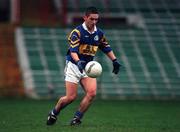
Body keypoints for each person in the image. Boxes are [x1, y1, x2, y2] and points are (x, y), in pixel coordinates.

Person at [46, 6, 121, 126]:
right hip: (74, 65)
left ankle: (77, 119)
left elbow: (106, 47)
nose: (94, 22)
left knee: (92, 93)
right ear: (85, 17)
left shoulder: (99, 33)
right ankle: (54, 112)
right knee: (71, 97)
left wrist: (114, 60)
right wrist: (78, 62)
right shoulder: (77, 32)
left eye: (96, 19)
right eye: (92, 19)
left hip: (88, 67)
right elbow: (73, 51)